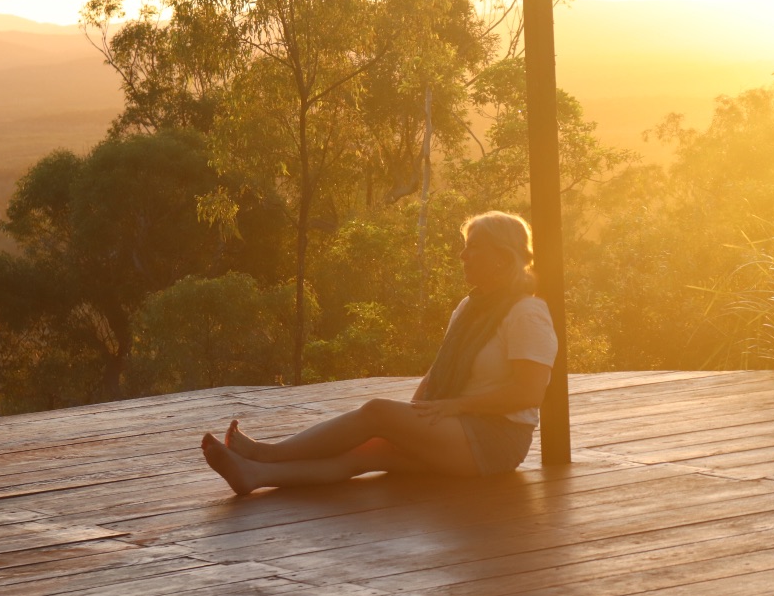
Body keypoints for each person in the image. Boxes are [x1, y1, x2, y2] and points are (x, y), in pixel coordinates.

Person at [201, 210, 559, 495]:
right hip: (453, 426)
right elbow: (438, 371)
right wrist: (408, 419)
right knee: (368, 450)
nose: (463, 255)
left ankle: (268, 452)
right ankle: (255, 475)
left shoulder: (527, 313)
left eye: (473, 246)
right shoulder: (471, 307)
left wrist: (454, 406)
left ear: (501, 255)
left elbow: (527, 393)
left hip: (494, 441)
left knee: (376, 413)